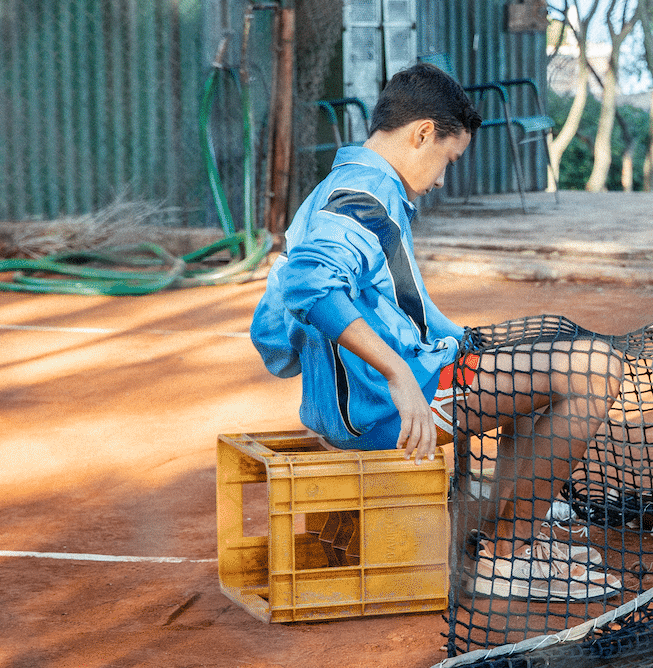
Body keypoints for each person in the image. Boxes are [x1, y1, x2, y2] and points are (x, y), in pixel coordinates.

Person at [251, 62, 625, 603]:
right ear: (423, 133)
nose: (444, 178)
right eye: (448, 159)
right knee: (594, 369)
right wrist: (397, 372)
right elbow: (310, 285)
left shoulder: (334, 190)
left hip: (355, 403)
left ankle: (514, 538)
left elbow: (274, 339)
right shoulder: (365, 194)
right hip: (384, 408)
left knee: (538, 359)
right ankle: (508, 558)